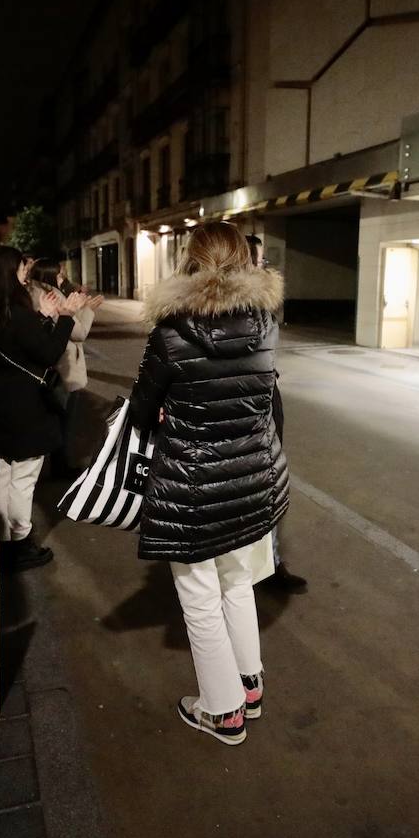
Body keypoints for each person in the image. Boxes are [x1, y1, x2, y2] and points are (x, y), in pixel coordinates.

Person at [129, 222, 289, 746]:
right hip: (249, 477)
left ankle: (222, 712)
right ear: (245, 259)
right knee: (236, 580)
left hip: (192, 484)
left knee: (198, 595)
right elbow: (264, 397)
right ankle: (249, 685)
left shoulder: (171, 330)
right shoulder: (265, 322)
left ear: (190, 260)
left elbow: (142, 410)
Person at [0, 245, 87, 570]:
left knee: (5, 473)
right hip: (23, 404)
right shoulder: (15, 311)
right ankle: (20, 542)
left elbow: (23, 346)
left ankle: (7, 539)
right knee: (22, 478)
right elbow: (48, 354)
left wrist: (43, 318)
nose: (26, 273)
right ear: (10, 271)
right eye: (23, 268)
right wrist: (65, 316)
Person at [245, 235, 307, 595]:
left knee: (266, 487)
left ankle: (269, 565)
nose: (263, 267)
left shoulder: (260, 305)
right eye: (258, 261)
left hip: (265, 401)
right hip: (239, 410)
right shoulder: (208, 310)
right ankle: (254, 569)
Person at [27, 257, 102, 475]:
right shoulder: (53, 295)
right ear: (50, 274)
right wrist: (87, 310)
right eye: (60, 273)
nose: (63, 277)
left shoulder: (33, 292)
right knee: (66, 418)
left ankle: (58, 462)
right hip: (64, 366)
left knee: (57, 416)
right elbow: (78, 333)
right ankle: (62, 465)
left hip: (51, 366)